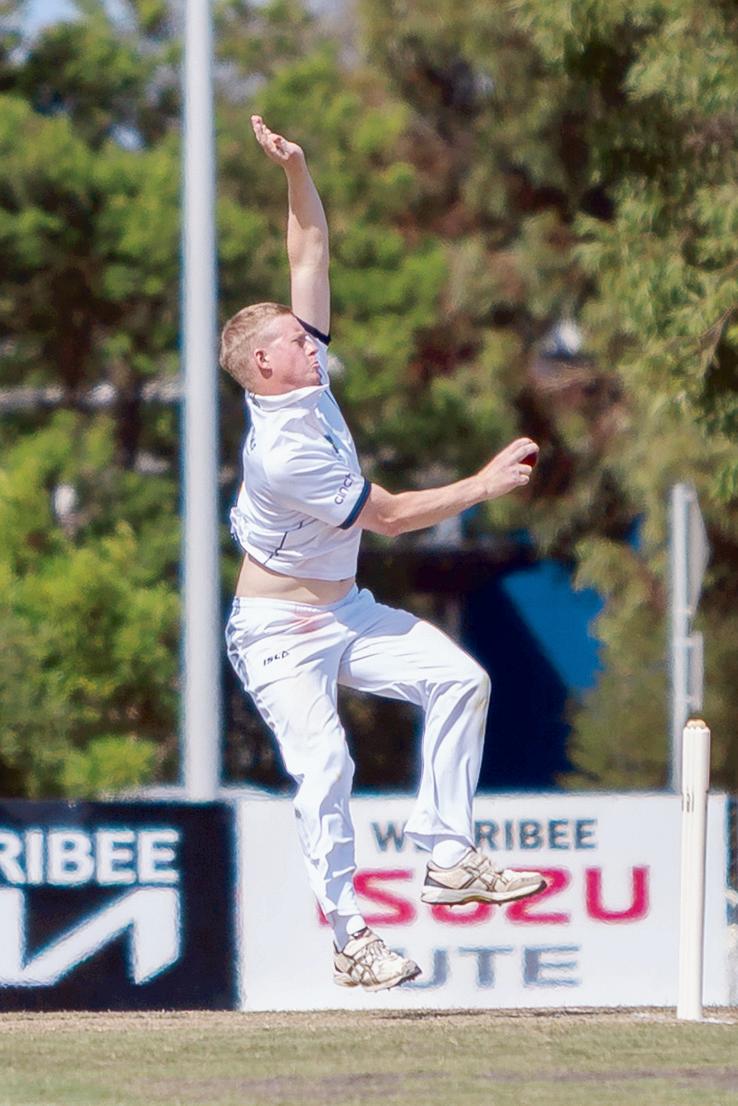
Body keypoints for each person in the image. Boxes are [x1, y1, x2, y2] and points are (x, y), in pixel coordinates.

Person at [221, 116, 545, 992]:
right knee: (327, 764)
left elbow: (310, 248)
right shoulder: (283, 452)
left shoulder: (306, 379)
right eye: (296, 341)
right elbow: (394, 518)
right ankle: (351, 938)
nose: (312, 342)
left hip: (345, 610)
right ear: (263, 364)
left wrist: (296, 170)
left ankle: (448, 855)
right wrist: (482, 485)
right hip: (277, 632)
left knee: (461, 681)